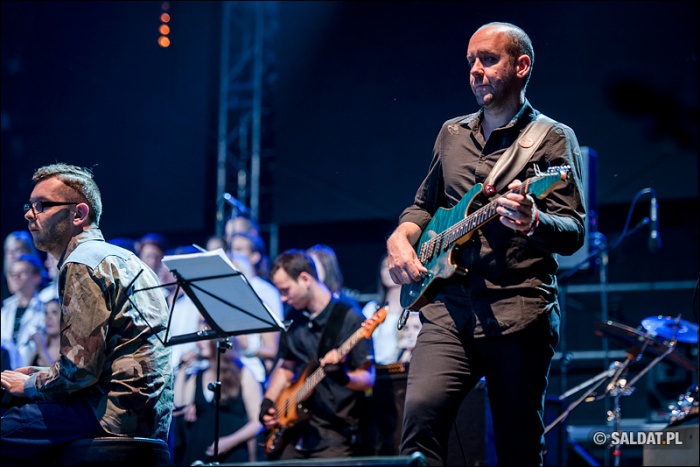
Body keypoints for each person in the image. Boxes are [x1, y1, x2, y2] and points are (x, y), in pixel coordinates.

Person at [386, 22, 586, 466]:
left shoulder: (553, 138)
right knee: (418, 428)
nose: (475, 70)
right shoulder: (451, 134)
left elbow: (574, 230)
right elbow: (423, 207)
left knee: (518, 447)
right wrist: (400, 238)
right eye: (471, 61)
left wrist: (535, 221)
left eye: (488, 59)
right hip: (449, 308)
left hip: (518, 310)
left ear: (521, 66)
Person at [0, 163, 174, 465]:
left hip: (109, 414)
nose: (29, 214)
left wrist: (28, 385)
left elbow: (80, 372)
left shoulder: (82, 263)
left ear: (78, 214)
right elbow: (102, 363)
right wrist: (41, 375)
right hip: (148, 417)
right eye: (29, 206)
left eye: (42, 205)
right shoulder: (129, 260)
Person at [260, 249, 375, 460]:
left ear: (305, 279)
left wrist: (343, 377)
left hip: (334, 435)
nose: (283, 298)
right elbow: (286, 367)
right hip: (295, 432)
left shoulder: (349, 317)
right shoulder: (294, 318)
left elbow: (368, 378)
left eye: (286, 290)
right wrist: (268, 401)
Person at [172, 318, 263, 464]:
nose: (199, 343)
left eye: (204, 338)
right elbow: (179, 405)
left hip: (231, 452)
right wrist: (183, 368)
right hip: (198, 451)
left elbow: (257, 421)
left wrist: (229, 442)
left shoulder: (243, 374)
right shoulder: (197, 376)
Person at [361, 253, 412, 365]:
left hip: (402, 367)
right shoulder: (370, 308)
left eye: (394, 266)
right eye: (385, 266)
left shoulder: (413, 309)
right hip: (373, 369)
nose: (389, 270)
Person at [1, 253, 46, 369]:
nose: (16, 276)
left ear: (36, 277)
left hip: (30, 372)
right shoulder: (5, 310)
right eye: (13, 273)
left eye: (22, 272)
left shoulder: (44, 309)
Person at [307, 243, 361, 312]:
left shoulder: (345, 304)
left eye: (312, 266)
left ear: (327, 267)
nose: (308, 273)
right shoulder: (306, 306)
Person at [28, 298, 61, 367]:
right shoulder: (37, 350)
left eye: (54, 312)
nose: (48, 317)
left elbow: (57, 373)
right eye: (46, 313)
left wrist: (42, 351)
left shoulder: (69, 353)